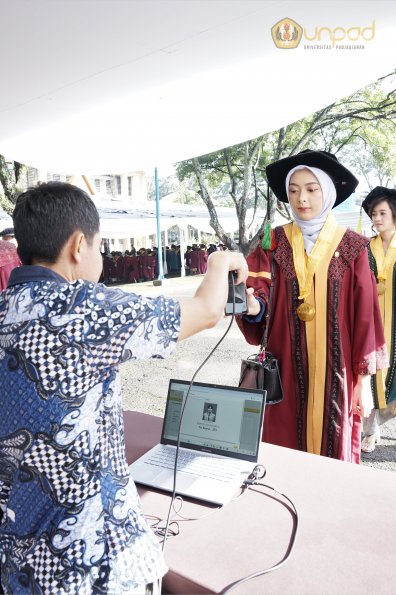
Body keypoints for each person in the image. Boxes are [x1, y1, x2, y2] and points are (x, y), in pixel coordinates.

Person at [0, 182, 248, 595]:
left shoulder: (5, 308)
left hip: (19, 560)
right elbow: (206, 311)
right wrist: (220, 263)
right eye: (99, 246)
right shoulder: (81, 307)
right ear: (80, 246)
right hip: (92, 564)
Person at [236, 150, 387, 463]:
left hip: (337, 369)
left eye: (310, 189)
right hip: (283, 365)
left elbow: (366, 316)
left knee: (332, 444)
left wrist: (364, 375)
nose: (301, 198)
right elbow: (258, 288)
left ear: (327, 192)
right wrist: (254, 307)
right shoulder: (273, 242)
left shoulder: (352, 247)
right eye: (293, 190)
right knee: (283, 443)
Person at [360, 187, 396, 452]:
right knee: (371, 379)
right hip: (372, 323)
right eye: (374, 213)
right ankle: (371, 429)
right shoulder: (365, 248)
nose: (378, 218)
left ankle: (375, 425)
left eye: (383, 212)